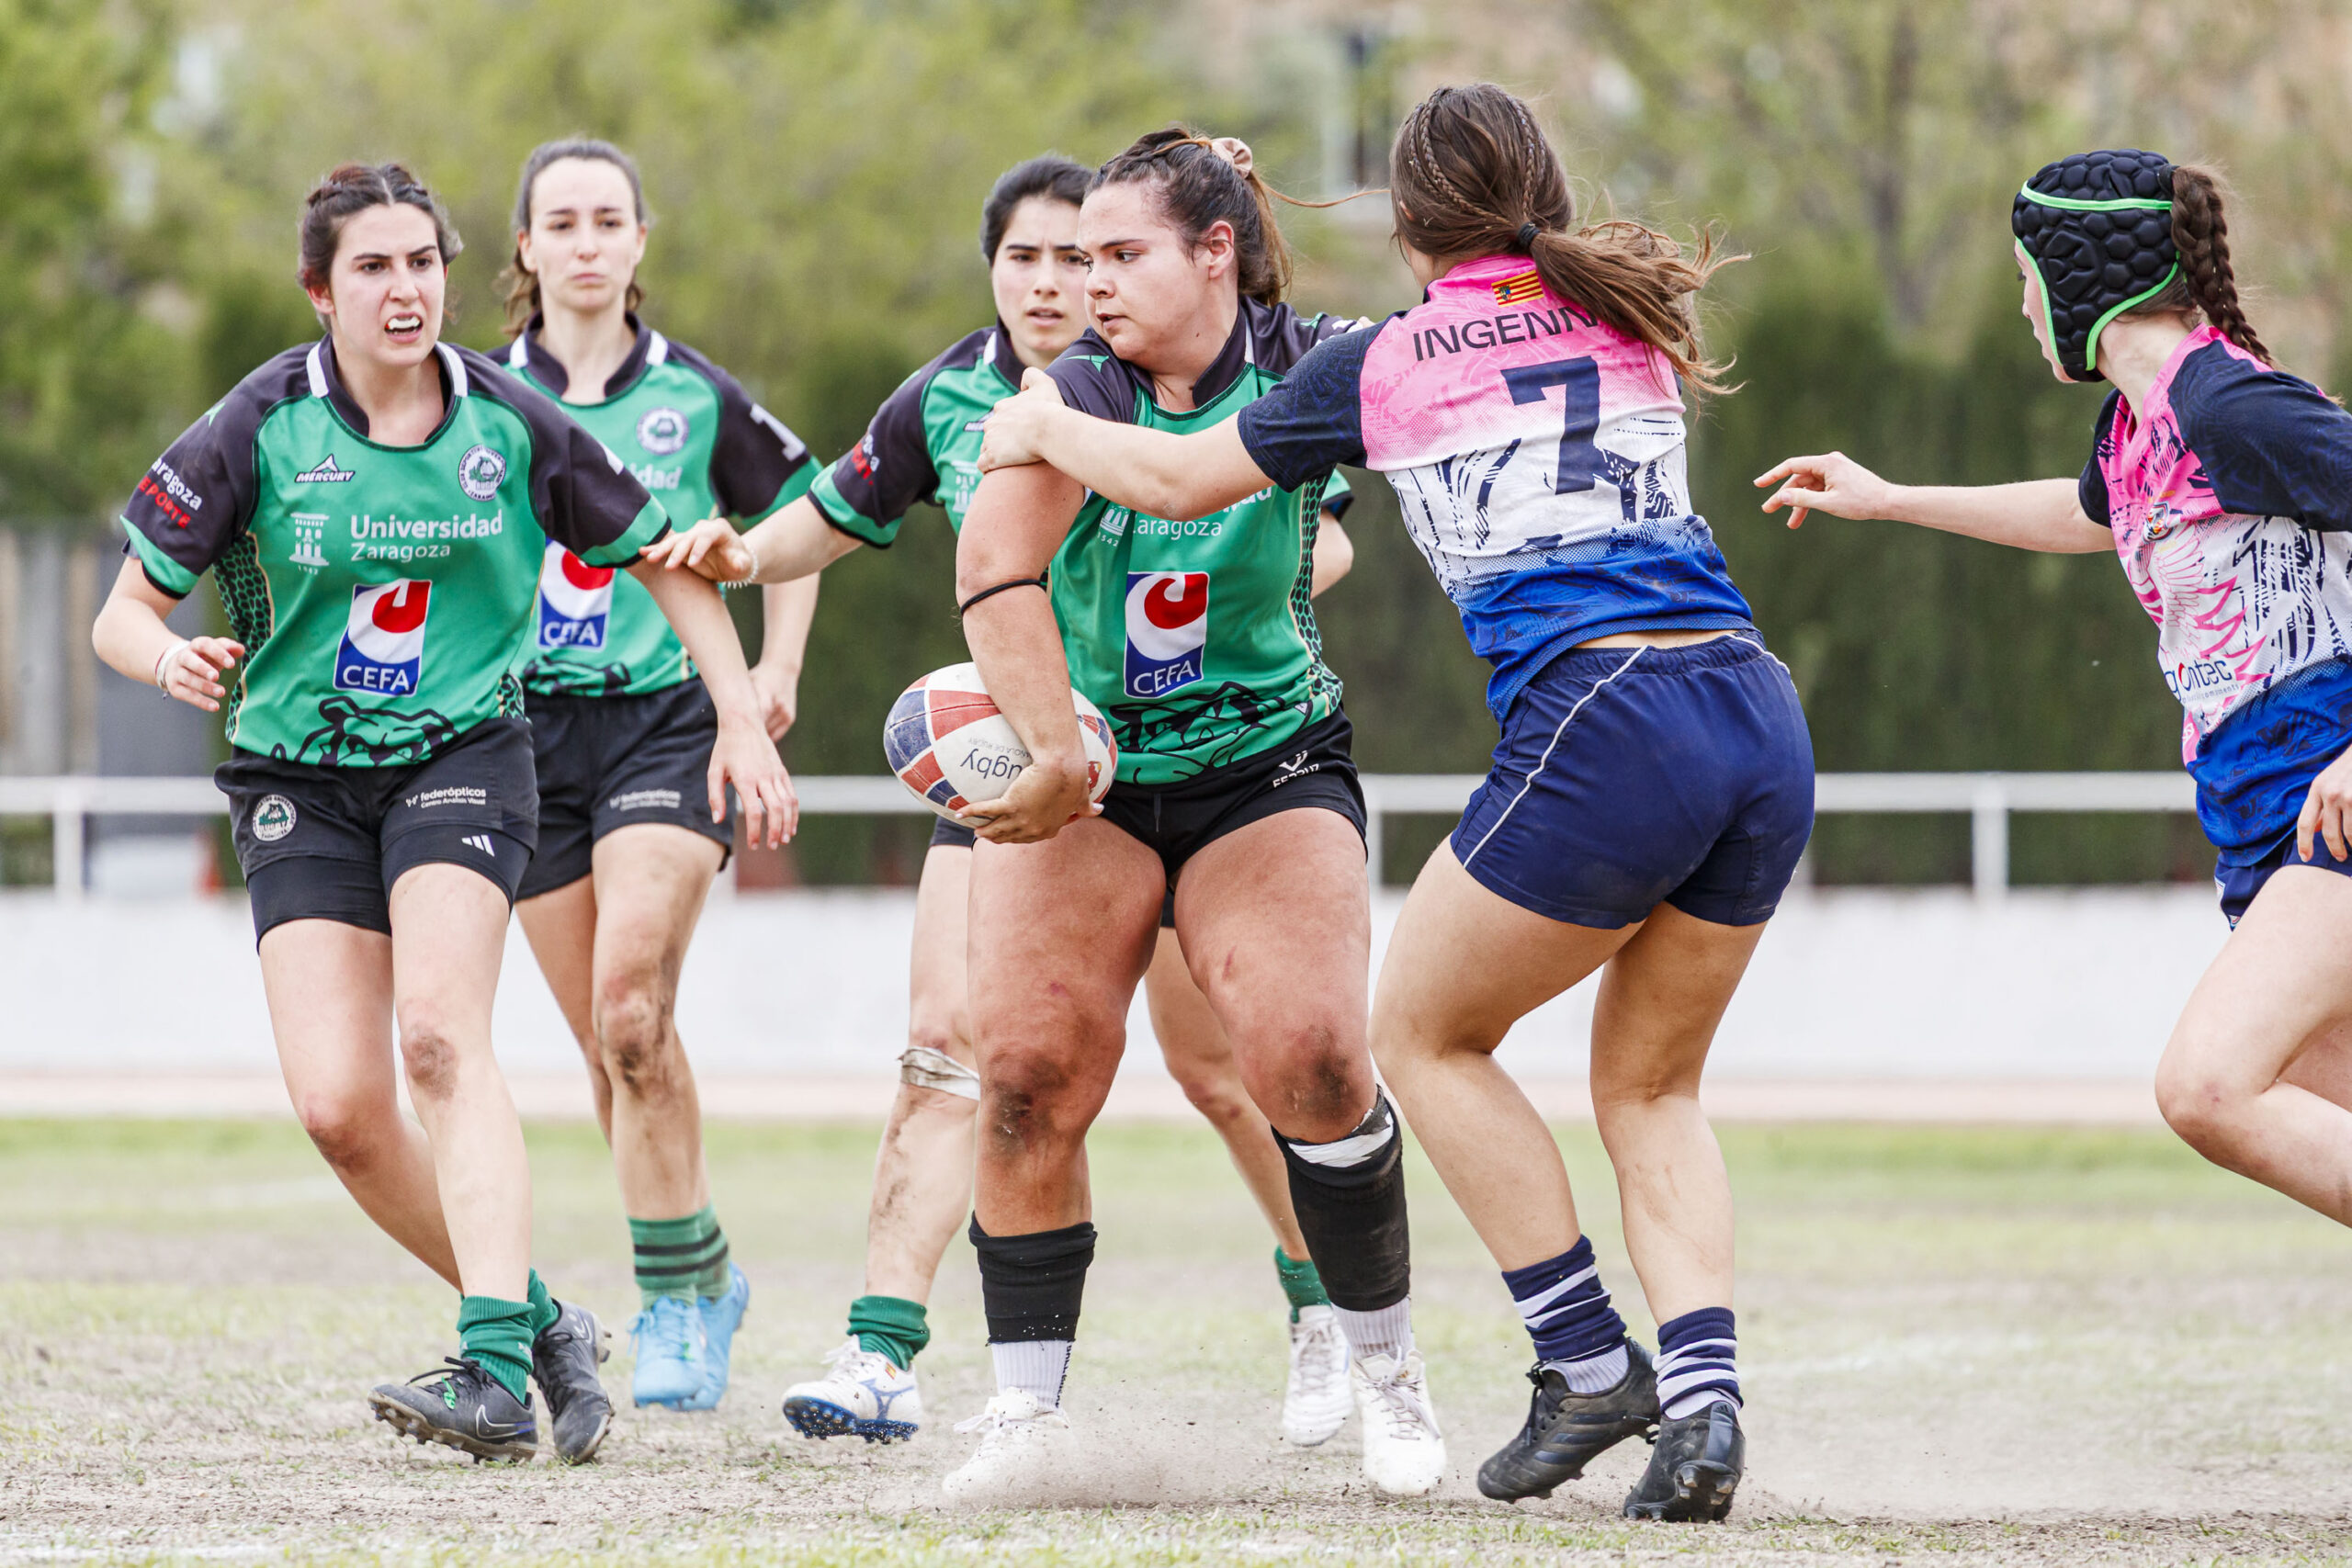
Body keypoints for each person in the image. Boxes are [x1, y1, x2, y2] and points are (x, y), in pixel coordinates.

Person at [978, 85, 1810, 1521]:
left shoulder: (1393, 356)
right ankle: (1706, 1404)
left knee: (1419, 1035)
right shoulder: (1622, 314)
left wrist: (1038, 429)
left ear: (1408, 217)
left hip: (1609, 710)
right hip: (1757, 709)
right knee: (1654, 1085)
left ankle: (1585, 1356)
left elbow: (1177, 479)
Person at [648, 153, 1362, 1450]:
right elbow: (831, 513)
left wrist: (1219, 546)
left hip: (1213, 763)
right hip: (1015, 759)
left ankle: (1323, 1301)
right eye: (1029, 257)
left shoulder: (1194, 376)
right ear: (995, 268)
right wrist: (742, 553)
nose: (1058, 281)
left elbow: (1329, 526)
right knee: (960, 1045)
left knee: (1232, 1064)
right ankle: (885, 1345)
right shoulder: (954, 395)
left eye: (1080, 256)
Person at [91, 163, 794, 1466]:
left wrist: (744, 716)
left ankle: (483, 1365)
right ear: (321, 290)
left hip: (465, 757)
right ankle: (538, 1320)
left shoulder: (510, 423)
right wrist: (165, 655)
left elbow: (671, 567)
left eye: (423, 263)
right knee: (343, 1110)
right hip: (296, 779)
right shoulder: (257, 425)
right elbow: (124, 605)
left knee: (435, 1038)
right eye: (373, 266)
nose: (405, 288)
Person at [941, 127, 1451, 1502]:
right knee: (1027, 1073)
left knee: (1315, 1061)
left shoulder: (1317, 362)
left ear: (1214, 251)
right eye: (1077, 257)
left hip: (1267, 766)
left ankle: (1391, 1371)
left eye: (1121, 255)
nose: (1086, 283)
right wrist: (1052, 751)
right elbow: (993, 571)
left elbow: (1457, 355)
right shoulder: (1074, 388)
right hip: (1096, 776)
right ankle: (1023, 1414)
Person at [1758, 152, 2352, 1301]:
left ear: (2086, 278)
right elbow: (2089, 518)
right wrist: (1888, 499)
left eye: (2026, 275)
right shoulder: (2141, 425)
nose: (2021, 304)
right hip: (2254, 810)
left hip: (2324, 795)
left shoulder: (2227, 404)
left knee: (2210, 1087)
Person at [496, 138, 820, 1413]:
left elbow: (806, 520)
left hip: (667, 722)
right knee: (605, 1043)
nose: (584, 241)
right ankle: (704, 1264)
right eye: (559, 221)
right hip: (516, 736)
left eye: (606, 219)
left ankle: (675, 1301)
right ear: (524, 247)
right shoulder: (473, 398)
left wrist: (774, 676)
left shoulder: (696, 397)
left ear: (640, 241)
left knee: (629, 1008)